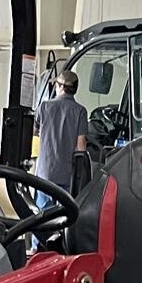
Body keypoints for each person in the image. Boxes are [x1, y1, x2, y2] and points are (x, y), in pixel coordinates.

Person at [33, 70, 88, 204]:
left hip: (45, 173)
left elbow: (34, 132)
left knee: (43, 218)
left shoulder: (44, 106)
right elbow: (81, 146)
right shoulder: (80, 111)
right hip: (66, 175)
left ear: (61, 87)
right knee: (64, 217)